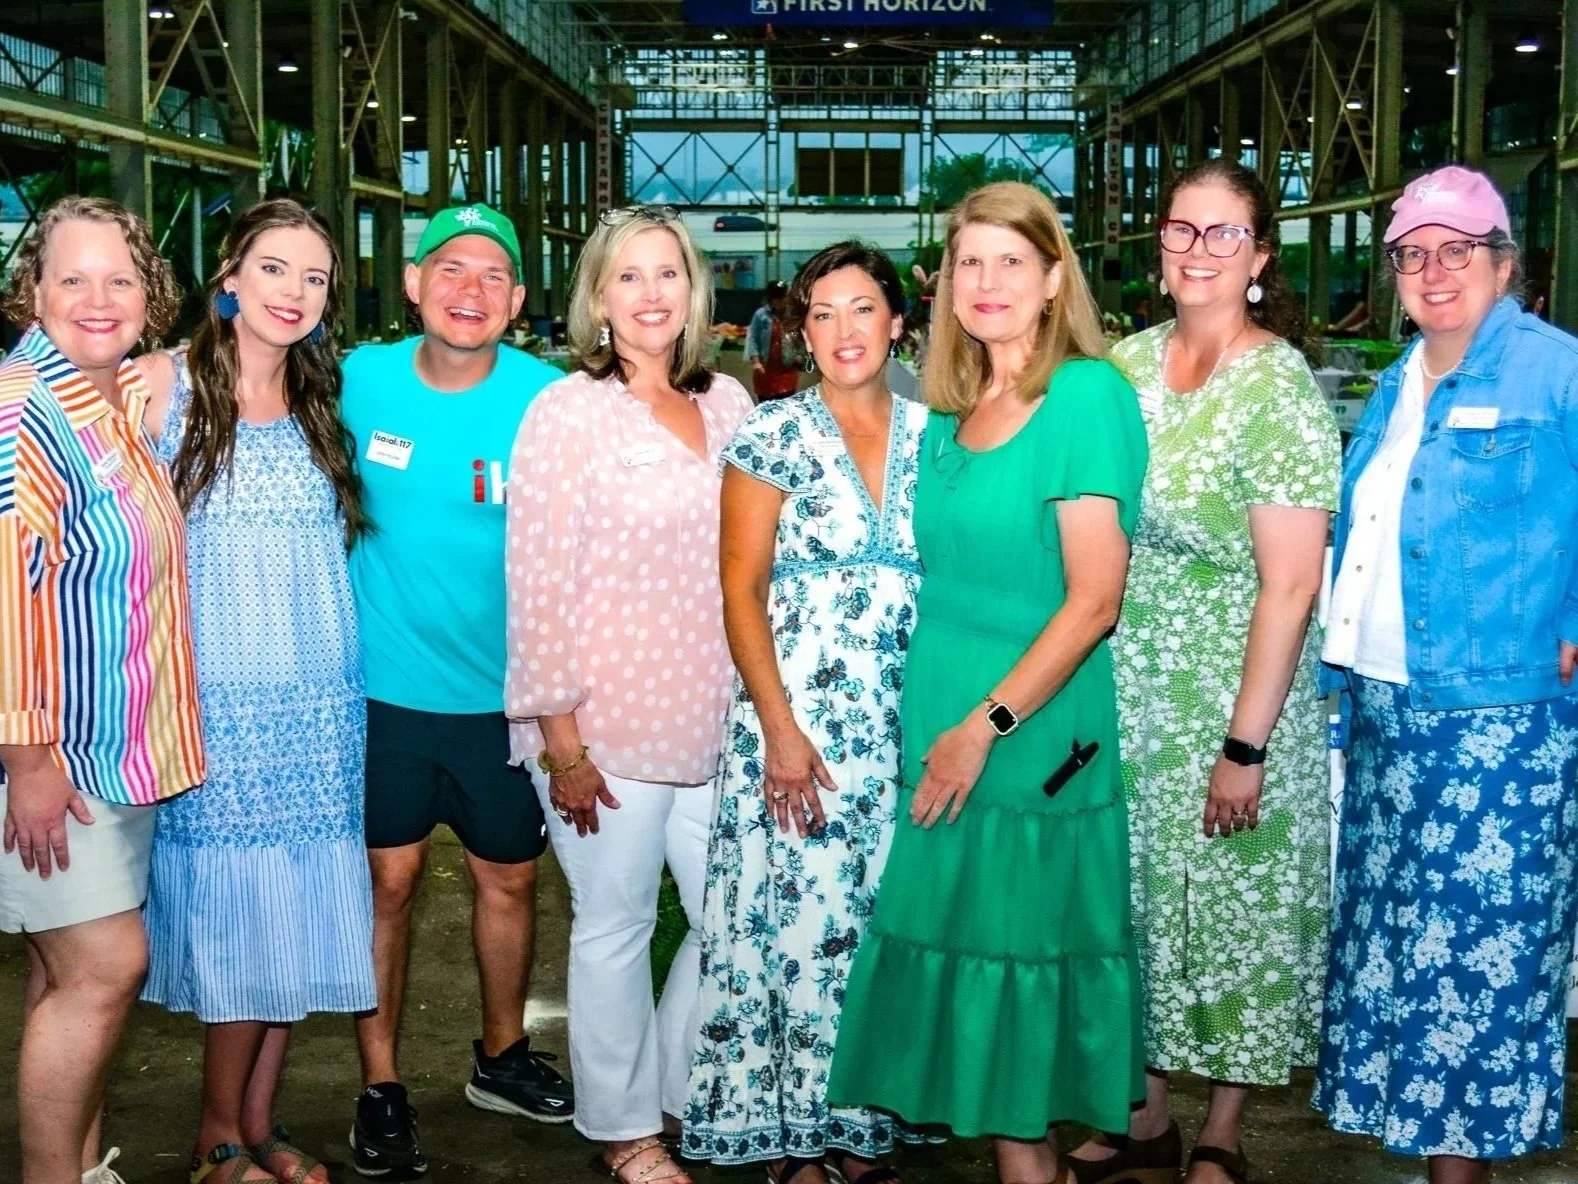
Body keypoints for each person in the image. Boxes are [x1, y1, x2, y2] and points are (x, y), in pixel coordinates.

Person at [826, 181, 1150, 1184]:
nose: (987, 280)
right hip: (942, 727)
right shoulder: (955, 413)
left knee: (1017, 1006)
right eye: (970, 261)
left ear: (1054, 279)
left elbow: (1094, 601)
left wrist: (985, 725)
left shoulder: (1086, 396)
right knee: (979, 1006)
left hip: (1029, 735)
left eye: (1012, 260)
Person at [1074, 158, 1340, 1184]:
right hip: (1132, 689)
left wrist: (1245, 745)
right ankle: (1144, 1112)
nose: (1199, 251)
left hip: (1236, 691)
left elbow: (1291, 584)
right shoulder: (1126, 367)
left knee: (1234, 905)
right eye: (1182, 229)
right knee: (1135, 900)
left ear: (1260, 256)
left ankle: (1223, 1128)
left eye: (1224, 233)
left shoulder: (1277, 387)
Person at [1315, 167, 1578, 1184]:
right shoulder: (1398, 382)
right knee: (1406, 952)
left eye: (1457, 250)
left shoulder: (1554, 371)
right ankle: (1431, 1160)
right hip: (1388, 706)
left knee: (1481, 960)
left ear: (1504, 264)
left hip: (1500, 720)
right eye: (1412, 254)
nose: (1434, 270)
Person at [505, 205, 752, 1184]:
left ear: (694, 290)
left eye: (669, 274)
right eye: (629, 276)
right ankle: (622, 1128)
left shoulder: (729, 403)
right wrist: (561, 738)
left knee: (733, 913)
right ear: (599, 299)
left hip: (716, 716)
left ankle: (676, 1091)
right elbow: (536, 583)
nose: (652, 294)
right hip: (603, 726)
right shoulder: (569, 411)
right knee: (615, 927)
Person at [136, 199, 373, 1184]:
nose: (294, 291)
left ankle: (262, 1123)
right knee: (241, 926)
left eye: (315, 277)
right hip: (219, 707)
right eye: (274, 268)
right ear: (229, 277)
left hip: (321, 707)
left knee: (297, 923)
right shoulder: (163, 388)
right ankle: (216, 1134)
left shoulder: (324, 400)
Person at [683, 242, 927, 1184]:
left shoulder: (939, 437)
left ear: (897, 321)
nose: (842, 331)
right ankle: (796, 1142)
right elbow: (740, 591)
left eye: (861, 308)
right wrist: (779, 731)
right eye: (821, 314)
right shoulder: (771, 435)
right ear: (800, 332)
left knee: (878, 934)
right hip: (801, 734)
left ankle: (864, 1130)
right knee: (799, 932)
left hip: (905, 731)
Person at [339, 202, 572, 1180]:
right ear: (412, 283)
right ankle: (380, 1082)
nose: (469, 290)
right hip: (383, 694)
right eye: (450, 268)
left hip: (503, 702)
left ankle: (501, 1054)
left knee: (507, 879)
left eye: (491, 276)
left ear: (516, 300)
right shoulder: (356, 379)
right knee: (387, 884)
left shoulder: (550, 400)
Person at [0, 196, 203, 1184]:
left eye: (120, 278)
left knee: (61, 971)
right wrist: (28, 759)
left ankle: (81, 1168)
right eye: (72, 278)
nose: (99, 297)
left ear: (149, 294)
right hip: (57, 762)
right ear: (32, 293)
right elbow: (5, 589)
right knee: (105, 965)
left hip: (113, 750)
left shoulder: (111, 402)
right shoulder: (22, 411)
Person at [747, 279, 802, 401]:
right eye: (777, 298)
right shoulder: (760, 315)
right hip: (765, 369)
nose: (781, 300)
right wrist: (755, 361)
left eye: (783, 297)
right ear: (770, 299)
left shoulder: (793, 315)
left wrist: (799, 354)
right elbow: (752, 338)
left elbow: (801, 337)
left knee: (787, 405)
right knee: (766, 405)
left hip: (787, 370)